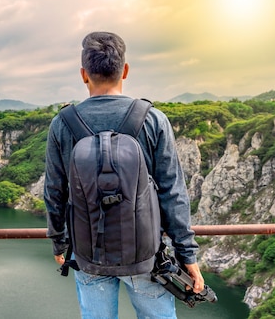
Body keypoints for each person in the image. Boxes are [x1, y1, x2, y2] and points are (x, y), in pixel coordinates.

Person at [44, 31, 204, 319]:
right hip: (144, 254)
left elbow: (55, 192)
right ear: (125, 71)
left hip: (89, 253)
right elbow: (172, 192)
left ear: (84, 75)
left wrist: (60, 242)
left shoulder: (62, 124)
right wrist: (186, 254)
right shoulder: (153, 119)